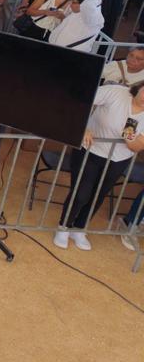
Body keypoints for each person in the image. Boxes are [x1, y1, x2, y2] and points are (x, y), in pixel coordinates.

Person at [56, 82, 144, 250]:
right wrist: (83, 128)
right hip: (90, 149)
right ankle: (63, 227)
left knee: (98, 195)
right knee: (82, 193)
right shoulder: (116, 92)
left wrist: (129, 126)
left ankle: (80, 229)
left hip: (118, 159)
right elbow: (81, 99)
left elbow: (136, 146)